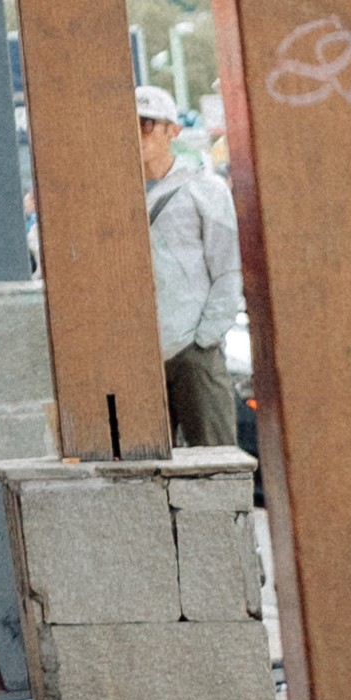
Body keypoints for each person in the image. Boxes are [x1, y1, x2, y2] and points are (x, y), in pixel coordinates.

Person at [142, 95, 244, 447]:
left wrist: (205, 339)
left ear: (173, 130)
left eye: (146, 124)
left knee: (216, 464)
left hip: (192, 348)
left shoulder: (204, 187)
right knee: (143, 471)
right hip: (138, 355)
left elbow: (228, 267)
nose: (137, 134)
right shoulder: (114, 193)